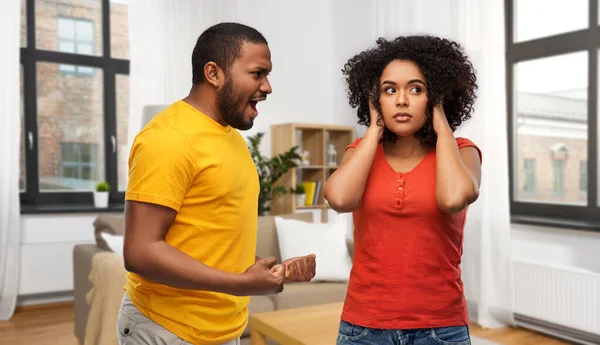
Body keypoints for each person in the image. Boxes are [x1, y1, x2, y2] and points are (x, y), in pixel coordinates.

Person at [118, 22, 316, 345]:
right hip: (166, 330)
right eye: (257, 73)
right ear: (214, 73)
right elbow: (140, 251)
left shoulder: (233, 140)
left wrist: (263, 271)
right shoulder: (169, 138)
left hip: (224, 331)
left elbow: (207, 235)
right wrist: (241, 283)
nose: (267, 87)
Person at [324, 35, 482, 345]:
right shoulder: (359, 151)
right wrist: (374, 130)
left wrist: (442, 125)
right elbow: (340, 199)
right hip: (363, 327)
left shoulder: (463, 152)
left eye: (416, 89)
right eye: (389, 90)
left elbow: (452, 199)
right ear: (374, 98)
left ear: (436, 96)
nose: (401, 100)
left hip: (440, 328)